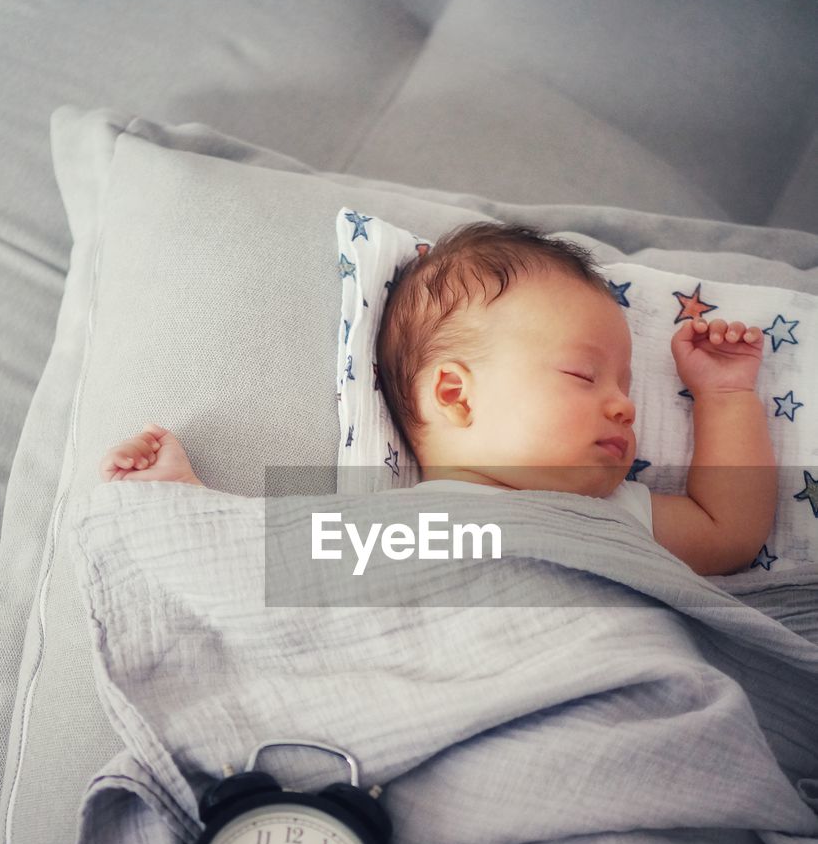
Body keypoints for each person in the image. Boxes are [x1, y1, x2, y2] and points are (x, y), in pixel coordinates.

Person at [99, 222, 776, 577]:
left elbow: (730, 532)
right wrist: (181, 500)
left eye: (624, 387)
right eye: (581, 376)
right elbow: (251, 564)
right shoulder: (400, 523)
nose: (624, 408)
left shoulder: (613, 511)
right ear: (453, 393)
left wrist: (722, 396)